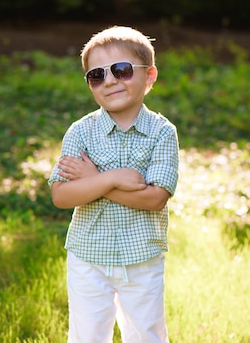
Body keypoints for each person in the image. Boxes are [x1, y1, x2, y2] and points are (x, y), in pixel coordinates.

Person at [48, 25, 180, 343]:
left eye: (121, 70)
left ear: (149, 76)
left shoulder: (162, 133)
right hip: (87, 255)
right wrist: (111, 178)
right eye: (97, 75)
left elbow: (155, 198)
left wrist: (93, 181)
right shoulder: (81, 132)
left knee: (146, 334)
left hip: (142, 257)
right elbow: (61, 195)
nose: (109, 81)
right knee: (87, 336)